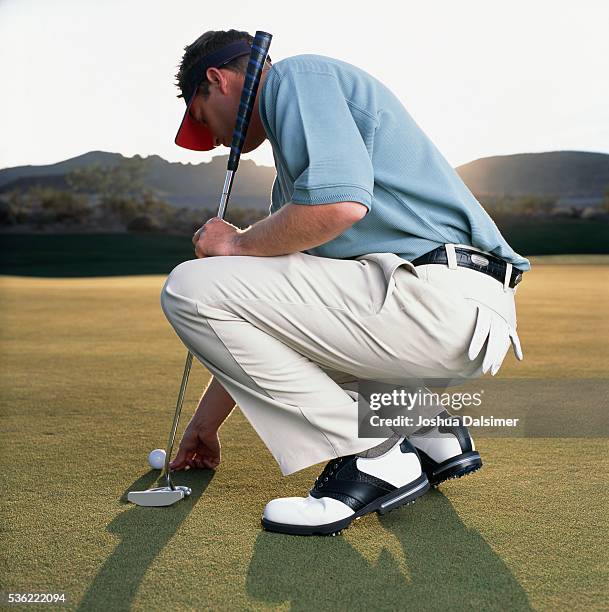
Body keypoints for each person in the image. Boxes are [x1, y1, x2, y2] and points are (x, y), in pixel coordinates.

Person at [161, 29, 529, 536]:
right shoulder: (293, 180)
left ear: (218, 81)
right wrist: (207, 423)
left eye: (203, 120)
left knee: (189, 286)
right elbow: (265, 314)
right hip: (457, 307)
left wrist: (233, 246)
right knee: (240, 293)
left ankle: (374, 455)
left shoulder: (295, 76)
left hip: (439, 300)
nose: (217, 142)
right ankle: (429, 429)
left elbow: (339, 206)